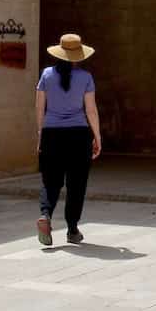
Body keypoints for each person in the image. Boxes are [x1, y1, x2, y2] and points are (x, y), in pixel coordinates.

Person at [36, 33, 102, 247]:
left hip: (51, 134)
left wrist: (40, 136)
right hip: (78, 134)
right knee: (77, 184)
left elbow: (39, 109)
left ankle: (45, 215)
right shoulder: (85, 77)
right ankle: (72, 229)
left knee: (50, 180)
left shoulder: (46, 75)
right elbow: (91, 110)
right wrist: (97, 137)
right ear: (78, 55)